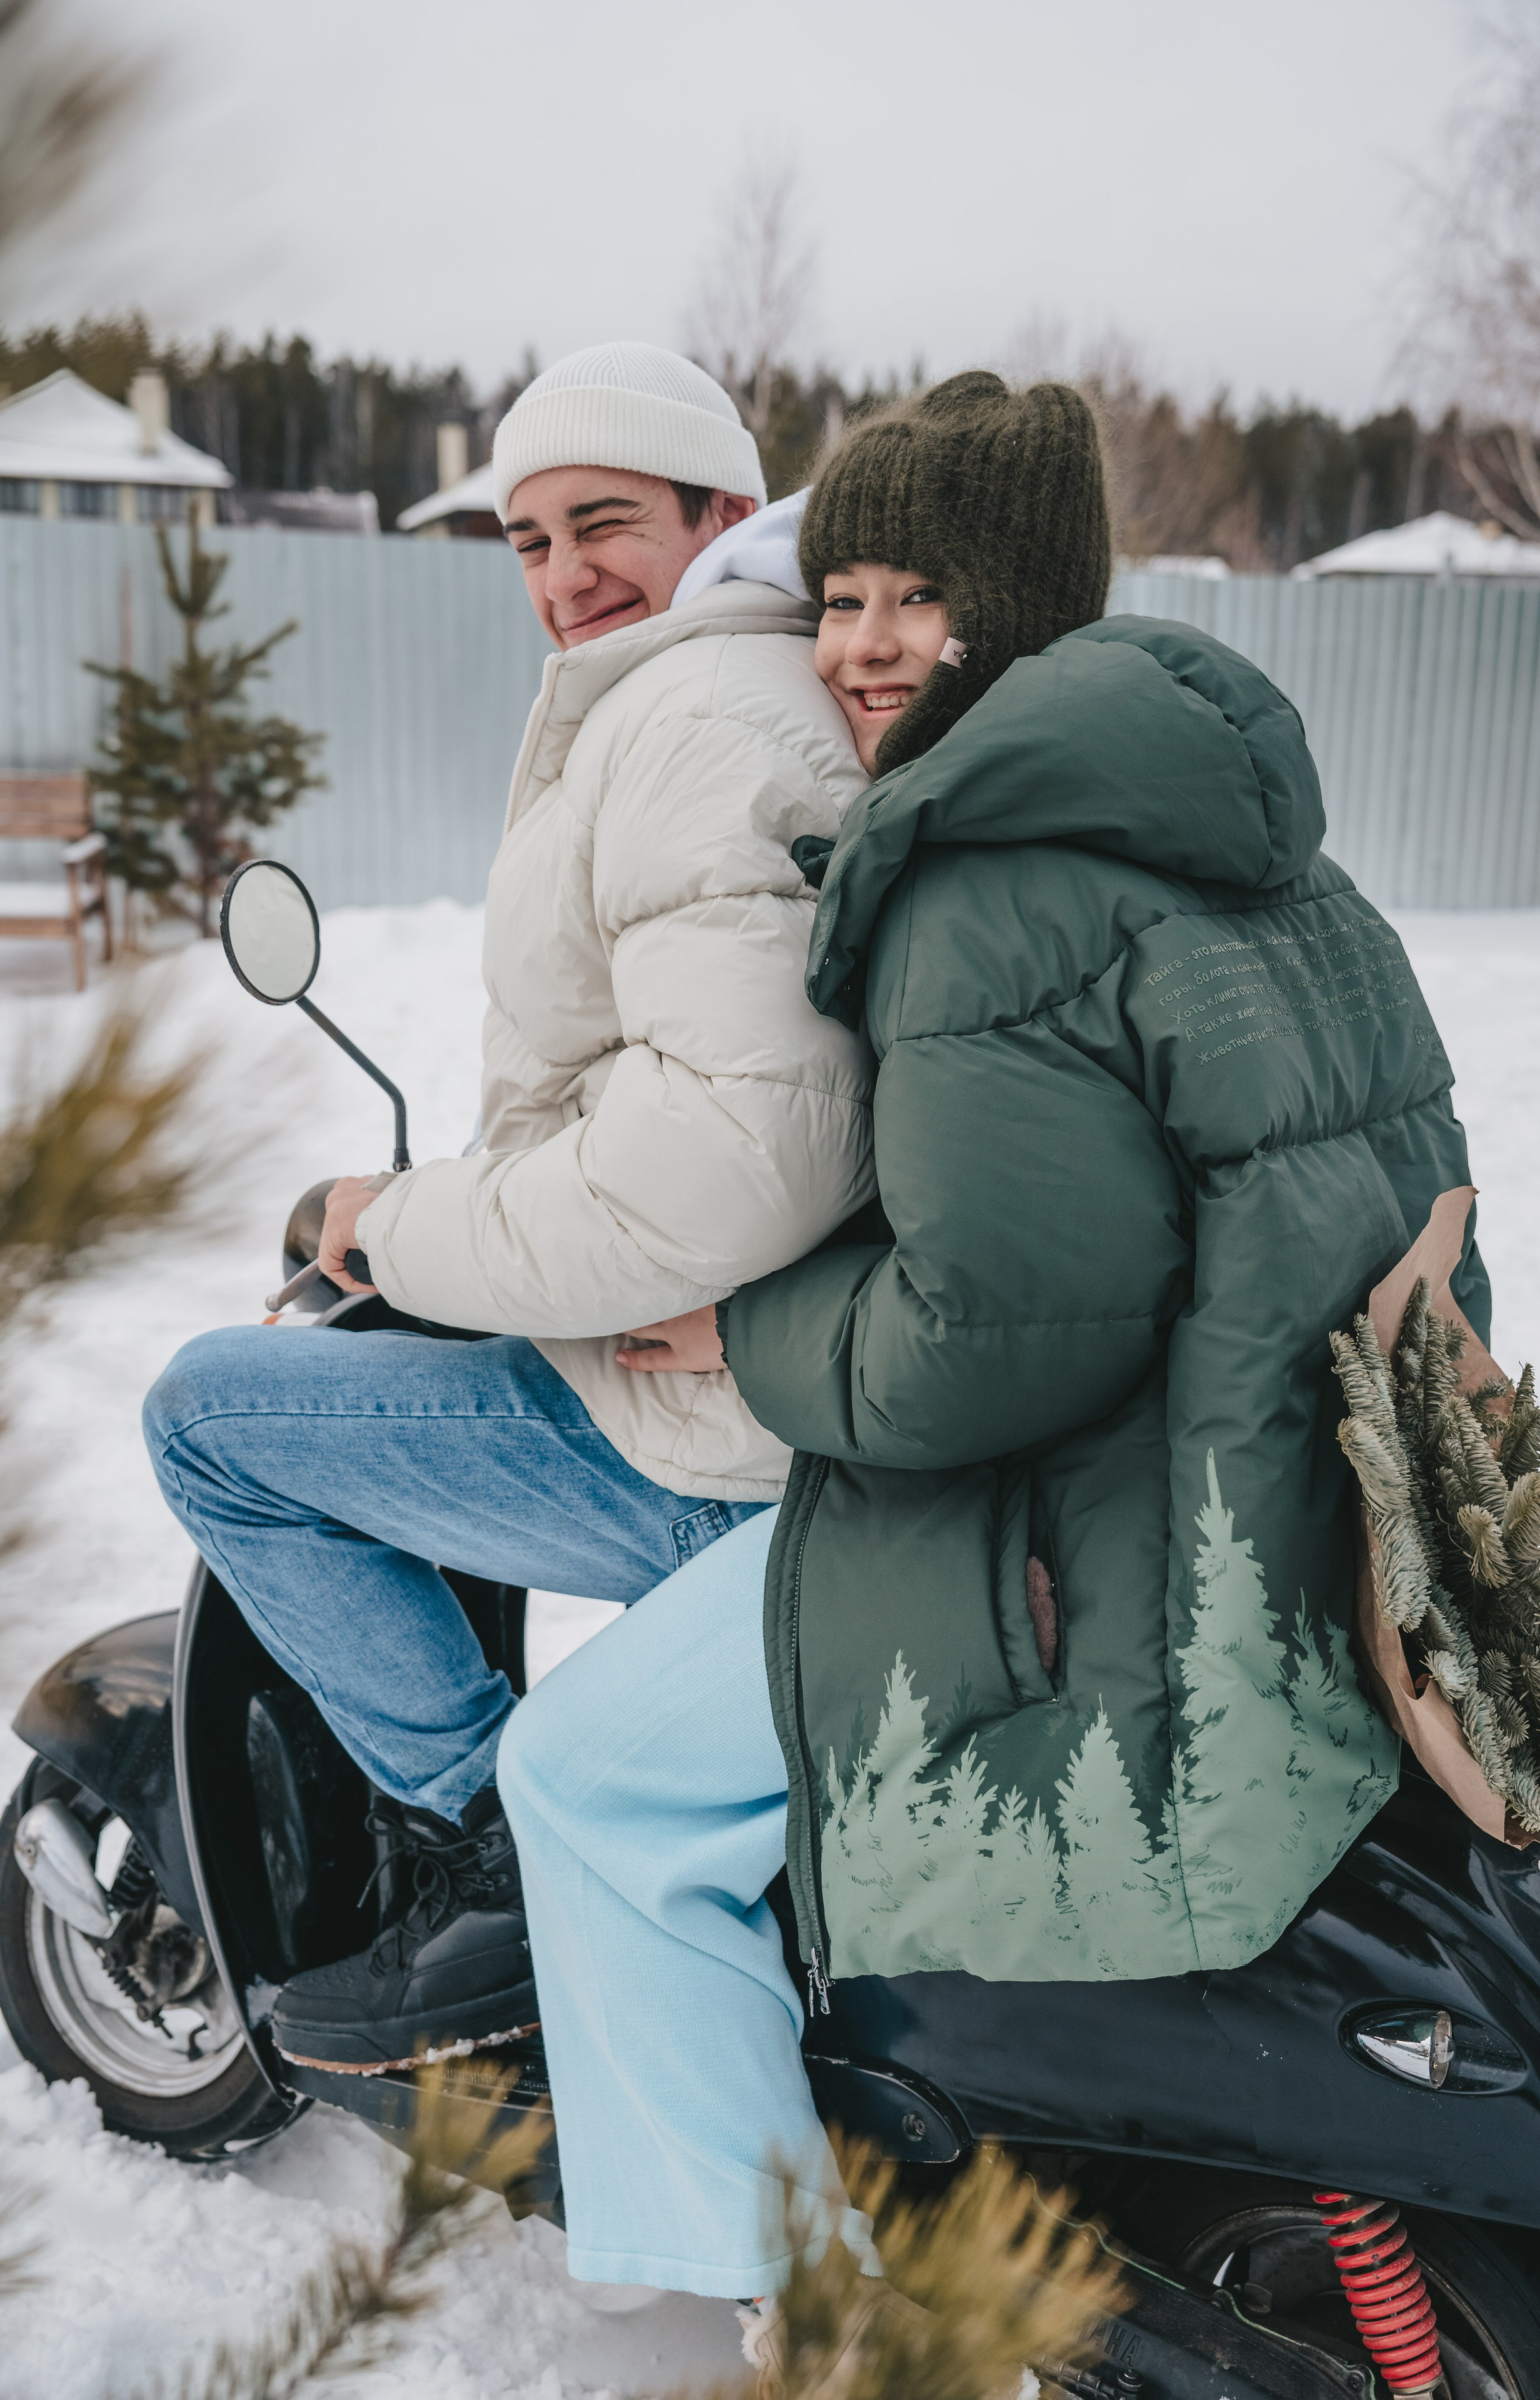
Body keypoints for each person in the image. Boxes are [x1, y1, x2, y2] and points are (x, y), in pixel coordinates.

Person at [495, 371, 1487, 2318]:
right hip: (1287, 1520)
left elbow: (982, 1349)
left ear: (1018, 608)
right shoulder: (1262, 847)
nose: (860, 646)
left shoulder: (980, 878)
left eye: (917, 600)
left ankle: (794, 2306)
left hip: (1116, 1538)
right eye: (841, 593)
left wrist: (738, 1320)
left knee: (586, 1775)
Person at [141, 343, 876, 2075]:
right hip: (741, 1382)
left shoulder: (699, 721)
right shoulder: (706, 695)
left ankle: (490, 1833)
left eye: (603, 522)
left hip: (705, 1437)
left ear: (720, 510)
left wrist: (393, 1227)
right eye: (528, 539)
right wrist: (461, 1206)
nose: (562, 577)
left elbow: (722, 1165)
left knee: (211, 1422)